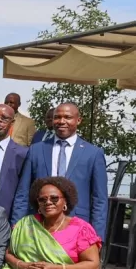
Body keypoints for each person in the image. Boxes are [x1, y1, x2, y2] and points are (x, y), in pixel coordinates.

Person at [13, 102, 107, 239]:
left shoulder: (93, 153)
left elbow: (100, 199)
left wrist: (97, 237)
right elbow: (23, 192)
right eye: (57, 117)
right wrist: (16, 226)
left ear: (78, 120)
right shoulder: (36, 150)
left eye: (67, 117)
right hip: (39, 227)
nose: (61, 121)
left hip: (77, 228)